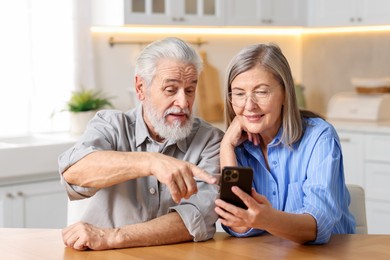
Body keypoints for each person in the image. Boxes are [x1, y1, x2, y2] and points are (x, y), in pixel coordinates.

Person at [59, 37, 224, 250]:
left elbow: (198, 217)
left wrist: (112, 237)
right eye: (171, 90)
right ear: (140, 88)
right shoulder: (111, 125)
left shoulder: (210, 141)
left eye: (190, 90)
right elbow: (74, 172)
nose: (183, 103)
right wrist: (150, 162)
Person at [214, 43, 355, 244]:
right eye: (238, 94)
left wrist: (267, 219)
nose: (249, 105)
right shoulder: (237, 147)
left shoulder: (319, 138)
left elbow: (317, 226)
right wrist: (226, 146)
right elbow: (237, 223)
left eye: (261, 92)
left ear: (286, 94)